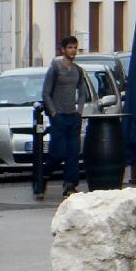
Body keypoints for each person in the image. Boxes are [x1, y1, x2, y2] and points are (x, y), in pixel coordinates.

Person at [39, 35, 84, 199]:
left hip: (73, 116)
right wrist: (53, 112)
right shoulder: (55, 69)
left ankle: (70, 185)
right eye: (70, 47)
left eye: (75, 48)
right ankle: (43, 175)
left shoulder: (78, 70)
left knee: (73, 152)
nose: (73, 51)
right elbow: (46, 93)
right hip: (58, 116)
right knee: (59, 153)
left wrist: (79, 111)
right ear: (63, 50)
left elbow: (82, 93)